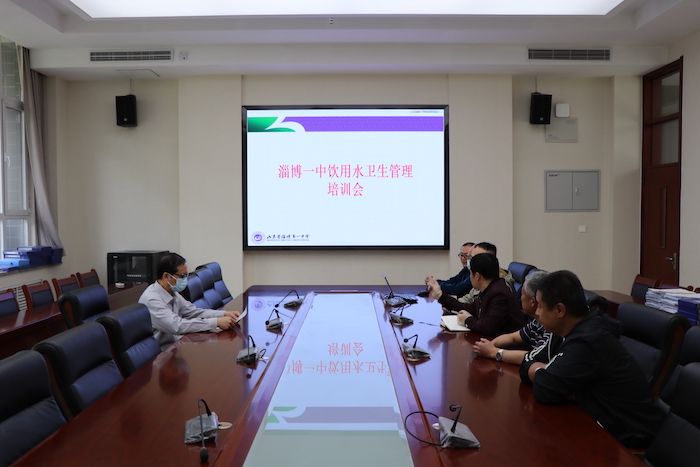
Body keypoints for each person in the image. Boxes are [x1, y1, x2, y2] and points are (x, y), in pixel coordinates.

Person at [519, 270, 663, 449]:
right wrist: (544, 371)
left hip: (627, 438)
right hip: (599, 421)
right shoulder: (569, 329)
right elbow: (528, 362)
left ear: (559, 310)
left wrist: (541, 371)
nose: (537, 312)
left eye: (540, 306)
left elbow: (545, 389)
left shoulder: (589, 340)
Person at [139, 253, 241, 349]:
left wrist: (224, 314)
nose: (185, 280)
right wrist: (216, 322)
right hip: (158, 355)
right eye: (182, 276)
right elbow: (177, 326)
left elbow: (194, 312)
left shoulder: (172, 292)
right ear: (166, 276)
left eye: (186, 276)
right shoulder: (152, 300)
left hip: (174, 347)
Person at [429, 252, 524, 337]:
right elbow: (468, 308)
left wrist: (467, 320)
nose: (470, 277)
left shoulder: (498, 293)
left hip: (507, 346)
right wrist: (440, 296)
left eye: (471, 273)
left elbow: (488, 327)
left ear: (477, 276)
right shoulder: (489, 289)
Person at [473, 269, 551, 365]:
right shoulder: (536, 322)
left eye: (522, 294)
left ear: (532, 301)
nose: (520, 299)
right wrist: (489, 345)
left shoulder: (552, 328)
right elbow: (512, 338)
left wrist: (493, 352)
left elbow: (534, 357)